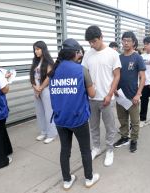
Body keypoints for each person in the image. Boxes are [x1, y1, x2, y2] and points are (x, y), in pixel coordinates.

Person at [48, 38, 99, 190]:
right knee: (85, 150)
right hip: (78, 119)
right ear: (76, 53)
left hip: (60, 119)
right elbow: (92, 93)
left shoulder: (53, 71)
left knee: (65, 150)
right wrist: (93, 85)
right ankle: (89, 178)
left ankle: (66, 180)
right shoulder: (81, 70)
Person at [82, 25, 121, 166]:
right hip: (92, 98)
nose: (92, 45)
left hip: (107, 98)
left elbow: (117, 76)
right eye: (90, 42)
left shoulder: (112, 54)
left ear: (101, 37)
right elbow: (84, 74)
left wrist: (110, 95)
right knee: (93, 126)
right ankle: (96, 148)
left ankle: (109, 150)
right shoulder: (88, 54)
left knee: (110, 126)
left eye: (94, 41)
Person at [113, 31, 146, 153]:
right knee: (122, 119)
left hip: (133, 96)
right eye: (124, 40)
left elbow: (143, 77)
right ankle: (124, 137)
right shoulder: (118, 57)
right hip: (120, 95)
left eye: (128, 40)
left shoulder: (137, 57)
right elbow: (115, 75)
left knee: (135, 121)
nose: (126, 43)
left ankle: (134, 140)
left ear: (133, 42)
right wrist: (114, 89)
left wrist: (138, 94)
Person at [30, 41, 57, 144]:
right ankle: (43, 132)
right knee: (40, 112)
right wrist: (34, 87)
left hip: (45, 90)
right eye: (35, 49)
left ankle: (52, 134)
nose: (36, 51)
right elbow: (32, 76)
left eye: (38, 49)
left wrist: (40, 88)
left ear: (43, 49)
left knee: (48, 112)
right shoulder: (35, 62)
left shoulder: (48, 62)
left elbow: (49, 77)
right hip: (36, 90)